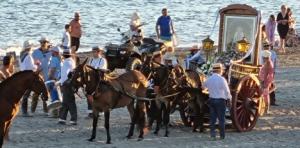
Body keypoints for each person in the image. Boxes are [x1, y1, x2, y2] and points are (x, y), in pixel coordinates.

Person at [203, 63, 232, 140]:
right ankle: (222, 136)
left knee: (212, 119)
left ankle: (213, 135)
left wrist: (208, 90)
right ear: (220, 71)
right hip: (220, 100)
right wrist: (229, 99)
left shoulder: (209, 79)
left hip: (212, 100)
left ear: (213, 71)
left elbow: (203, 87)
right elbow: (227, 91)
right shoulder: (222, 79)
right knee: (221, 119)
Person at [31, 37, 52, 114]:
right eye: (41, 42)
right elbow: (31, 63)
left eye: (44, 42)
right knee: (35, 94)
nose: (43, 44)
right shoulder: (35, 52)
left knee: (46, 94)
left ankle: (46, 111)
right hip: (37, 77)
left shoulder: (51, 53)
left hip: (47, 77)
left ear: (47, 43)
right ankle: (32, 111)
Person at [86, 46, 108, 117]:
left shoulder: (103, 60)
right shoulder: (91, 60)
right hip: (92, 80)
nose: (93, 53)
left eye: (94, 52)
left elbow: (101, 69)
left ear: (99, 52)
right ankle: (90, 111)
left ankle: (99, 112)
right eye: (92, 51)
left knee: (99, 96)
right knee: (88, 94)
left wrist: (93, 69)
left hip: (100, 80)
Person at [20, 40, 40, 116]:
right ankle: (25, 112)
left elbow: (24, 65)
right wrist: (37, 65)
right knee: (27, 94)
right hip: (28, 76)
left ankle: (24, 111)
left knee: (25, 93)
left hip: (22, 75)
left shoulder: (22, 54)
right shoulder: (28, 55)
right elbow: (31, 67)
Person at [58, 48, 77, 125]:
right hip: (69, 84)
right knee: (66, 102)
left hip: (66, 84)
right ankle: (62, 119)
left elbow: (65, 75)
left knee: (69, 102)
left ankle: (73, 119)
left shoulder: (66, 62)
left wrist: (61, 82)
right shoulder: (71, 61)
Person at [47, 46, 62, 117]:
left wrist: (49, 78)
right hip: (59, 79)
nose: (51, 52)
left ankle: (55, 114)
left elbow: (52, 70)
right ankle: (59, 112)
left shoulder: (54, 59)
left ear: (55, 52)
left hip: (53, 79)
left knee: (54, 97)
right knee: (59, 96)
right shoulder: (61, 59)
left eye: (52, 51)